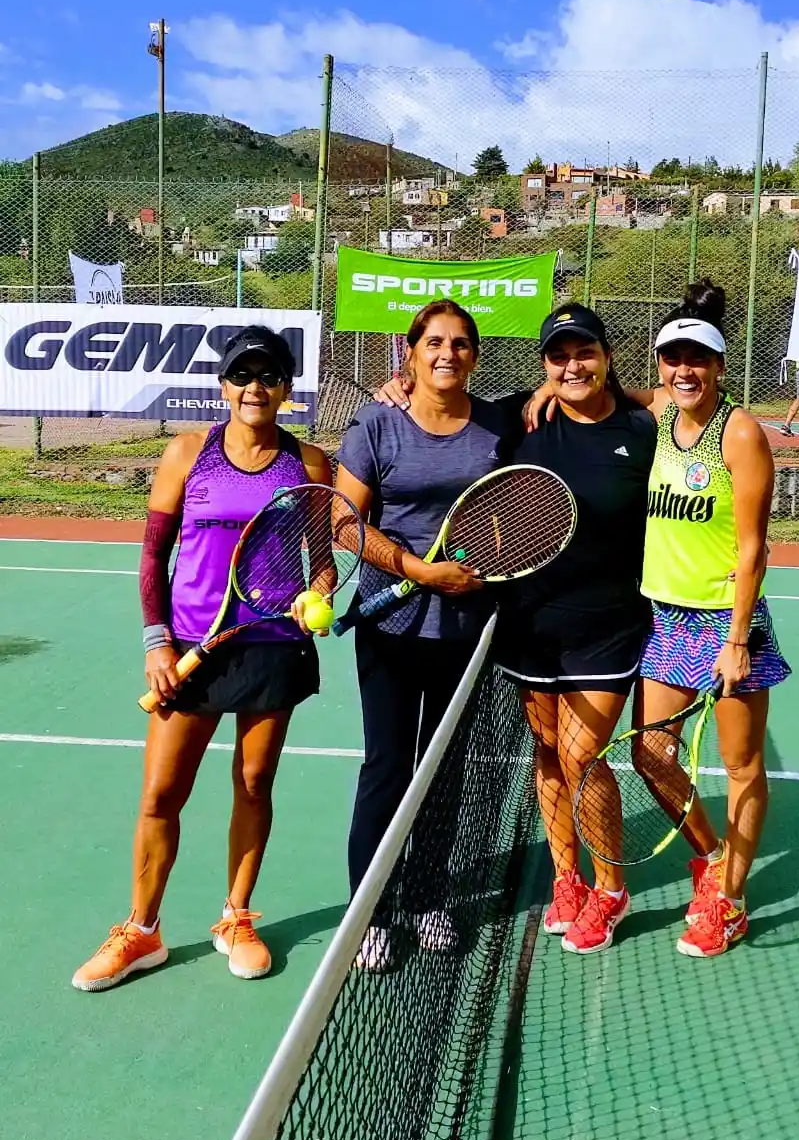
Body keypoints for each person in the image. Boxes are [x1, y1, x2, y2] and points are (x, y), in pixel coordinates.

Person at [372, 302, 657, 956]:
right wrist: (402, 383)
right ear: (543, 365)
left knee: (584, 755)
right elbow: (445, 400)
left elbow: (681, 393)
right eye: (558, 356)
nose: (572, 365)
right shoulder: (515, 419)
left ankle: (610, 886)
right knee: (549, 752)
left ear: (607, 356)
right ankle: (566, 878)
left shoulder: (641, 429)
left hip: (607, 626)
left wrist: (622, 392)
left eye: (584, 353)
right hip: (528, 624)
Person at [527, 279, 790, 958]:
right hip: (667, 622)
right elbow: (621, 398)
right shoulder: (661, 418)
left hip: (726, 622)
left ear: (721, 367)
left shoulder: (740, 432)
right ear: (660, 368)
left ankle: (728, 900)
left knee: (741, 768)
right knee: (651, 754)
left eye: (698, 359)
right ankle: (709, 861)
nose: (684, 369)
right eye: (673, 358)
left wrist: (736, 640)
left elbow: (754, 546)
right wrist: (549, 392)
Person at [72, 326, 331, 992]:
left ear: (286, 389)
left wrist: (318, 594)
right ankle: (141, 930)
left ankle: (237, 917)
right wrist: (156, 639)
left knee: (253, 784)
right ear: (223, 386)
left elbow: (322, 564)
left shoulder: (307, 464)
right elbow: (153, 555)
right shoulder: (188, 454)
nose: (254, 388)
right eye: (242, 376)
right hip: (191, 646)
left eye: (268, 376)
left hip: (272, 646)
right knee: (161, 794)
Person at [335, 300, 509, 971]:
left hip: (463, 628)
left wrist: (478, 571)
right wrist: (414, 569)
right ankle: (370, 910)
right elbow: (347, 523)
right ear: (409, 354)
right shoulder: (377, 425)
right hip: (389, 621)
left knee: (445, 773)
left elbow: (511, 505)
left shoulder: (496, 425)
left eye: (461, 343)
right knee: (386, 766)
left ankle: (428, 895)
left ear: (475, 355)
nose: (447, 353)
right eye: (433, 342)